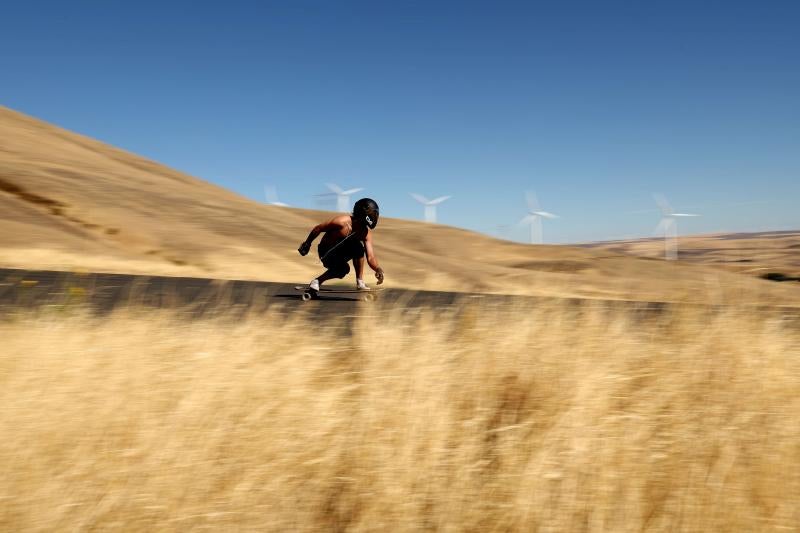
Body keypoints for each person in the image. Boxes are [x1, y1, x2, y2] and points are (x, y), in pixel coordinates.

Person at [298, 197, 385, 292]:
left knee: (357, 250)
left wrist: (378, 269)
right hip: (326, 253)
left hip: (340, 255)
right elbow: (318, 228)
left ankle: (360, 282)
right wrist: (307, 244)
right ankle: (317, 281)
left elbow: (371, 257)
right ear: (363, 212)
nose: (375, 217)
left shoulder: (365, 233)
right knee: (344, 268)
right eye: (373, 213)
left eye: (376, 214)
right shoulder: (342, 222)